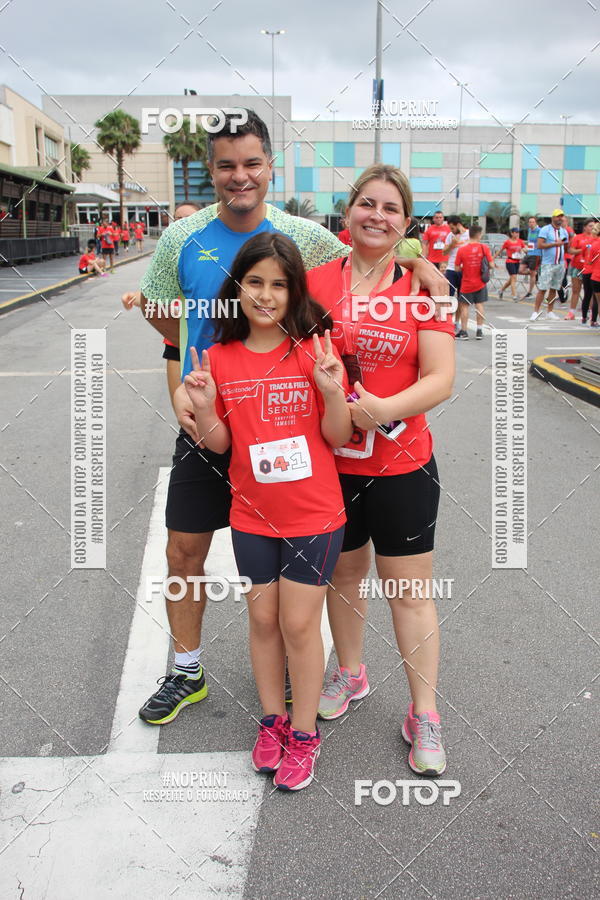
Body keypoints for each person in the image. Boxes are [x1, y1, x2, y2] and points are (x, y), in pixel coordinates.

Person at [122, 109, 447, 730]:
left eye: (251, 164)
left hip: (286, 427)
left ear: (270, 168)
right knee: (185, 551)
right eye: (225, 165)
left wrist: (423, 261)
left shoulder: (306, 237)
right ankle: (186, 671)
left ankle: (311, 679)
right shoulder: (179, 240)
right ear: (210, 173)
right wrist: (181, 397)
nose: (239, 176)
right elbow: (168, 323)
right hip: (209, 415)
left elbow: (375, 241)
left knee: (294, 566)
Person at [183, 232, 351, 790]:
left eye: (279, 284)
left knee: (299, 623)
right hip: (252, 515)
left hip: (315, 516)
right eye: (255, 282)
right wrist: (206, 407)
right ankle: (273, 721)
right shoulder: (221, 357)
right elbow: (220, 443)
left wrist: (331, 393)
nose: (266, 294)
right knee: (261, 618)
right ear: (238, 287)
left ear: (294, 290)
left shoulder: (315, 350)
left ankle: (305, 734)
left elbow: (338, 435)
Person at [307, 164, 455, 776]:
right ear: (348, 213)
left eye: (390, 208)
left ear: (405, 223)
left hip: (403, 465)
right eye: (367, 203)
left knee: (410, 592)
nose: (377, 215)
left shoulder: (426, 288)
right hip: (331, 464)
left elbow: (441, 379)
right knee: (344, 574)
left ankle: (424, 713)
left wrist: (379, 410)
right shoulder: (314, 280)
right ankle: (351, 672)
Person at [454, 224, 494, 340]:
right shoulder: (484, 248)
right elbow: (491, 264)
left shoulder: (462, 249)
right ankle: (479, 330)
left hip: (466, 283)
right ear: (479, 235)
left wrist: (465, 267)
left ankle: (464, 331)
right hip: (480, 282)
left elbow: (457, 268)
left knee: (464, 306)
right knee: (479, 305)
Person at [530, 210, 569, 321]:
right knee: (542, 289)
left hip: (560, 264)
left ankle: (550, 311)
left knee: (554, 289)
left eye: (561, 217)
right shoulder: (545, 230)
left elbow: (565, 246)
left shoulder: (563, 231)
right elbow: (540, 245)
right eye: (558, 217)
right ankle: (535, 312)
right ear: (553, 218)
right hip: (548, 264)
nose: (560, 219)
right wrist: (555, 244)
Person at [565, 219, 594, 321]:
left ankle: (591, 313)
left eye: (593, 226)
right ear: (585, 227)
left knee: (589, 292)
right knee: (575, 290)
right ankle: (571, 313)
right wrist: (582, 250)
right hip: (577, 267)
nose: (592, 228)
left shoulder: (595, 238)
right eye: (590, 226)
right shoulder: (578, 237)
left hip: (589, 268)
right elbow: (570, 250)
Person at [442, 215, 469, 300]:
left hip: (465, 270)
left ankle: (459, 313)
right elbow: (444, 252)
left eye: (452, 228)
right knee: (448, 296)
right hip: (451, 269)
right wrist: (452, 245)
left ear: (458, 225)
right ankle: (448, 313)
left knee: (463, 299)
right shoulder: (450, 236)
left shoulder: (469, 234)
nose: (452, 231)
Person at [495, 227, 526, 301]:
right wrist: (493, 258)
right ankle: (514, 295)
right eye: (515, 232)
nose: (517, 234)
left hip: (517, 262)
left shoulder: (520, 241)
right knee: (514, 278)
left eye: (518, 232)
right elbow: (500, 250)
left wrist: (526, 250)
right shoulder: (507, 242)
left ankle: (501, 290)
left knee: (511, 279)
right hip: (510, 261)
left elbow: (524, 248)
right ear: (512, 233)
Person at [584, 222, 600, 327]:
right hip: (595, 275)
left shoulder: (594, 245)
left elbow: (589, 261)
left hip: (596, 277)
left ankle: (588, 318)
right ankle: (591, 319)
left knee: (598, 301)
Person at [523, 216, 541, 299]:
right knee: (520, 269)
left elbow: (539, 243)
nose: (531, 223)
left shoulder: (539, 231)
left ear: (536, 223)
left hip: (536, 253)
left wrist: (530, 248)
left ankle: (530, 292)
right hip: (529, 253)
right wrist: (526, 247)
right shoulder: (530, 230)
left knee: (532, 273)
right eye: (530, 222)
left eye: (533, 222)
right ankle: (534, 274)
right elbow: (530, 242)